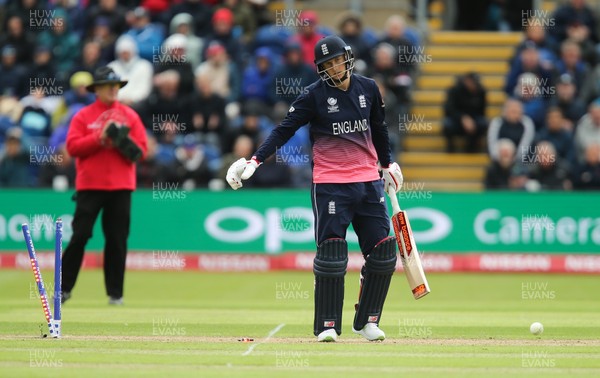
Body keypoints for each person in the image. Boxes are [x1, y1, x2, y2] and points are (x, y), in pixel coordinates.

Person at [225, 36, 403, 342]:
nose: (333, 68)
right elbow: (285, 129)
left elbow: (379, 128)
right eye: (326, 64)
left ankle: (367, 321)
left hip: (368, 182)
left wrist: (387, 165)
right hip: (331, 184)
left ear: (347, 58)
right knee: (333, 253)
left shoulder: (369, 88)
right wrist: (255, 161)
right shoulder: (313, 95)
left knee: (383, 252)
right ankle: (327, 326)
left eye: (336, 60)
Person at [62, 66, 148, 305]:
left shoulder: (130, 115)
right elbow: (72, 148)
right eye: (108, 85)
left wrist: (122, 140)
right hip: (90, 185)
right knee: (79, 236)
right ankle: (63, 289)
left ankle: (115, 294)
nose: (113, 89)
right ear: (96, 90)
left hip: (121, 186)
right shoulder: (83, 116)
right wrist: (98, 138)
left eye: (116, 85)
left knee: (117, 240)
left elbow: (141, 152)